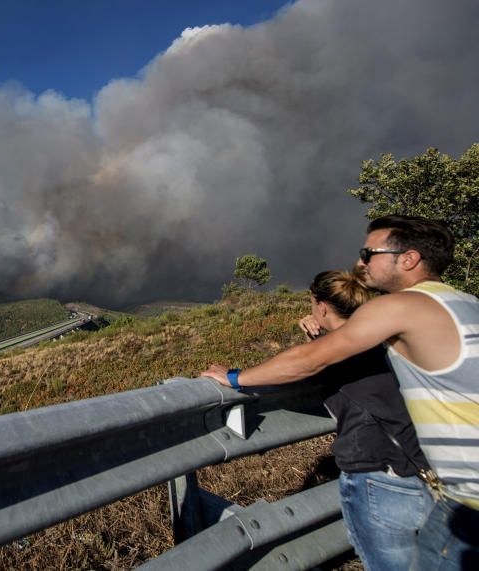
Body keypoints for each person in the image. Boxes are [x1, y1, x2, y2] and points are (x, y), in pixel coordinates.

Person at [201, 215, 479, 570]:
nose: (361, 261)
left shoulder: (402, 306)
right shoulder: (464, 303)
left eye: (369, 252)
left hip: (465, 501)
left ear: (408, 259)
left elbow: (310, 361)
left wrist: (235, 377)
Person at [300, 269, 431, 571]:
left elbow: (307, 365)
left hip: (374, 474)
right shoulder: (389, 342)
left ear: (320, 306)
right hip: (420, 466)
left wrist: (232, 376)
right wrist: (316, 339)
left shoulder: (334, 352)